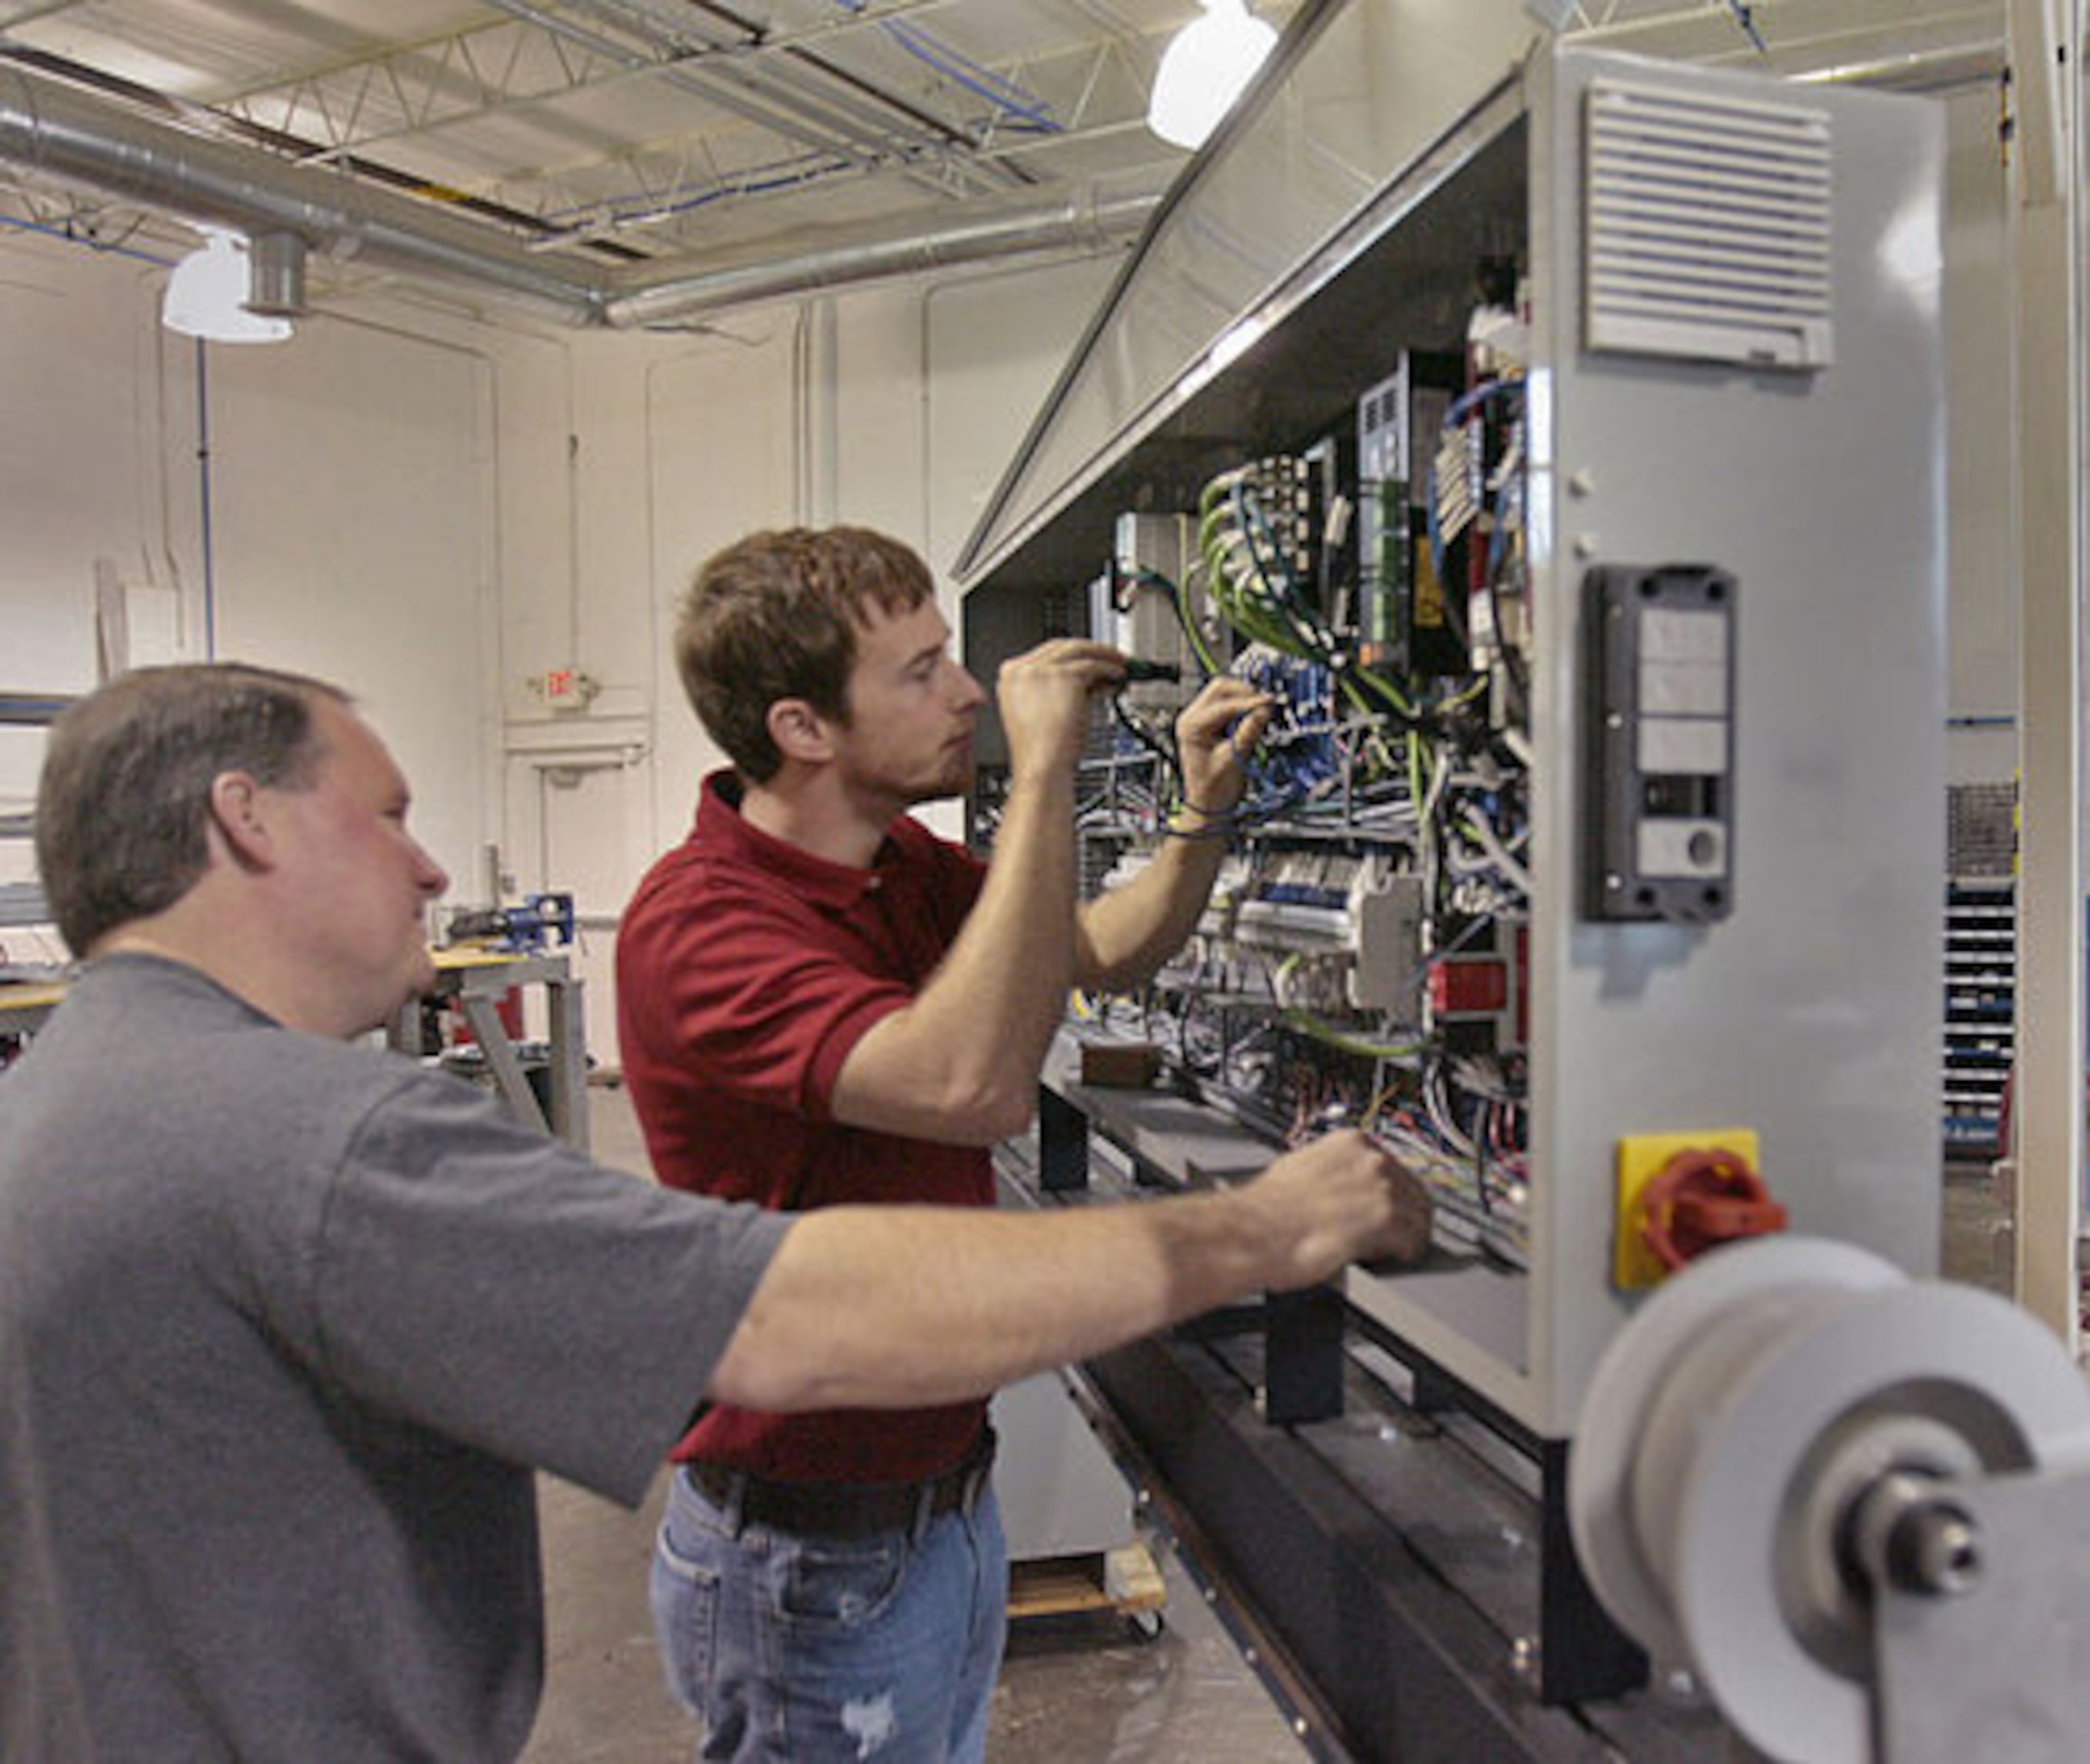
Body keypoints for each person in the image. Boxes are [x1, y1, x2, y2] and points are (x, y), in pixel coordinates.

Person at [0, 661, 1425, 1763]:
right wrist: (1264, 1226)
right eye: (387, 815)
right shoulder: (305, 1138)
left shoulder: (74, 1097)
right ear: (242, 820)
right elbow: (790, 1317)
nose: (432, 867)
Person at [617, 526, 1435, 1762]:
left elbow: (1097, 947)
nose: (966, 696)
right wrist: (1047, 762)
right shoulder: (701, 925)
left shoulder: (902, 866)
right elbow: (971, 1084)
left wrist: (1199, 813)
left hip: (936, 1507)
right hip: (807, 1553)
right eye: (921, 672)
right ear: (803, 728)